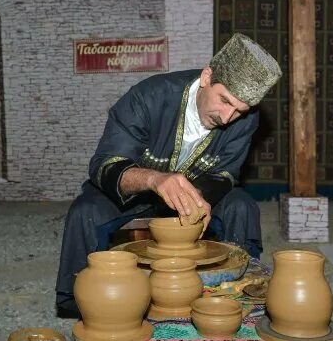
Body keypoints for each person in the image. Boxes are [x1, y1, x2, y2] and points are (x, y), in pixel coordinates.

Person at [56, 33, 282, 317]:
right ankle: (85, 305)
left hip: (195, 190)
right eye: (224, 101)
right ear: (207, 77)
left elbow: (226, 173)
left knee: (242, 205)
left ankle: (238, 294)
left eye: (239, 110)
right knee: (85, 211)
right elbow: (104, 164)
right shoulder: (148, 97)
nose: (227, 117)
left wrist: (198, 199)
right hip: (137, 191)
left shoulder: (245, 119)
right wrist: (155, 179)